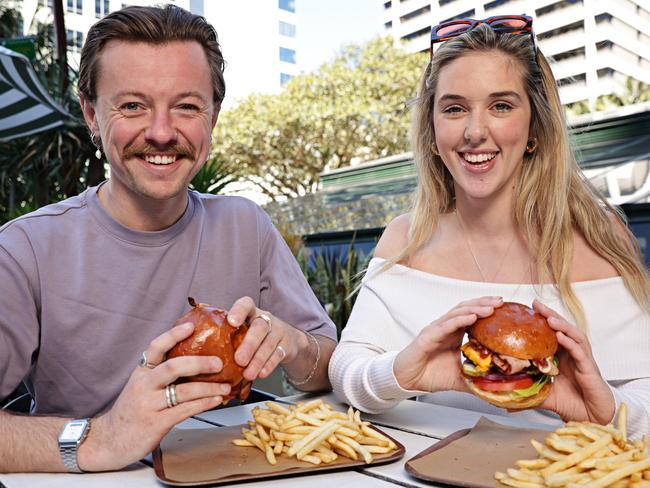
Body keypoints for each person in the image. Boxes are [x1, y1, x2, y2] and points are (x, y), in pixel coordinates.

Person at [0, 5, 336, 473]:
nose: (161, 133)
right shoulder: (23, 250)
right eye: (133, 105)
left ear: (213, 117)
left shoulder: (246, 225)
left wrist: (294, 346)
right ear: (92, 114)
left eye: (186, 106)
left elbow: (329, 368)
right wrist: (101, 438)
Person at [329, 15, 650, 438]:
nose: (475, 131)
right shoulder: (405, 239)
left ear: (535, 125)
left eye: (501, 106)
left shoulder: (598, 237)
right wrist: (408, 372)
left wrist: (595, 408)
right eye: (454, 108)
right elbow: (346, 371)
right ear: (431, 130)